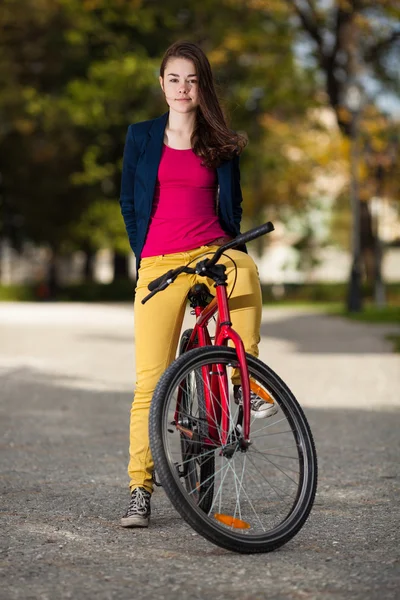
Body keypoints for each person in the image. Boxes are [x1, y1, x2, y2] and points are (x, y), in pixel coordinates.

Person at [119, 40, 277, 528]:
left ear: (201, 85)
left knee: (246, 270)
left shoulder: (221, 142)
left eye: (191, 80)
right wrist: (145, 255)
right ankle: (139, 489)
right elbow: (129, 201)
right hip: (160, 257)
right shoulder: (141, 136)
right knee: (151, 379)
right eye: (174, 79)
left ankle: (242, 383)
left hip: (212, 249)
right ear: (162, 84)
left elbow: (234, 206)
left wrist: (226, 247)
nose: (182, 88)